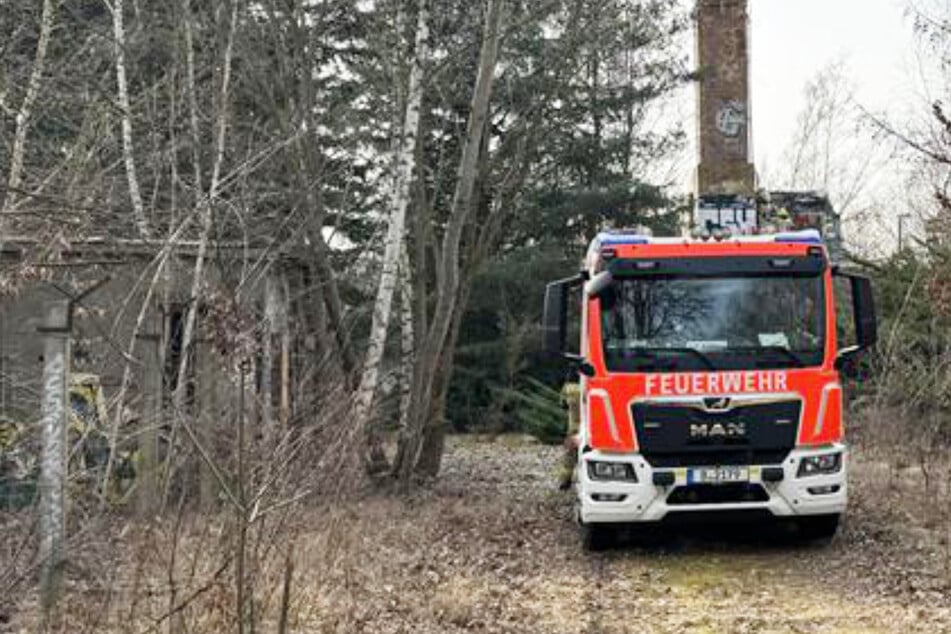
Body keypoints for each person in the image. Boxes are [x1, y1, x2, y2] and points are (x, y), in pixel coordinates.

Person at [558, 382, 581, 490]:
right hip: (591, 426)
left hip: (574, 428)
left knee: (569, 456)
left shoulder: (568, 388)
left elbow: (563, 404)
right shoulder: (591, 384)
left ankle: (565, 481)